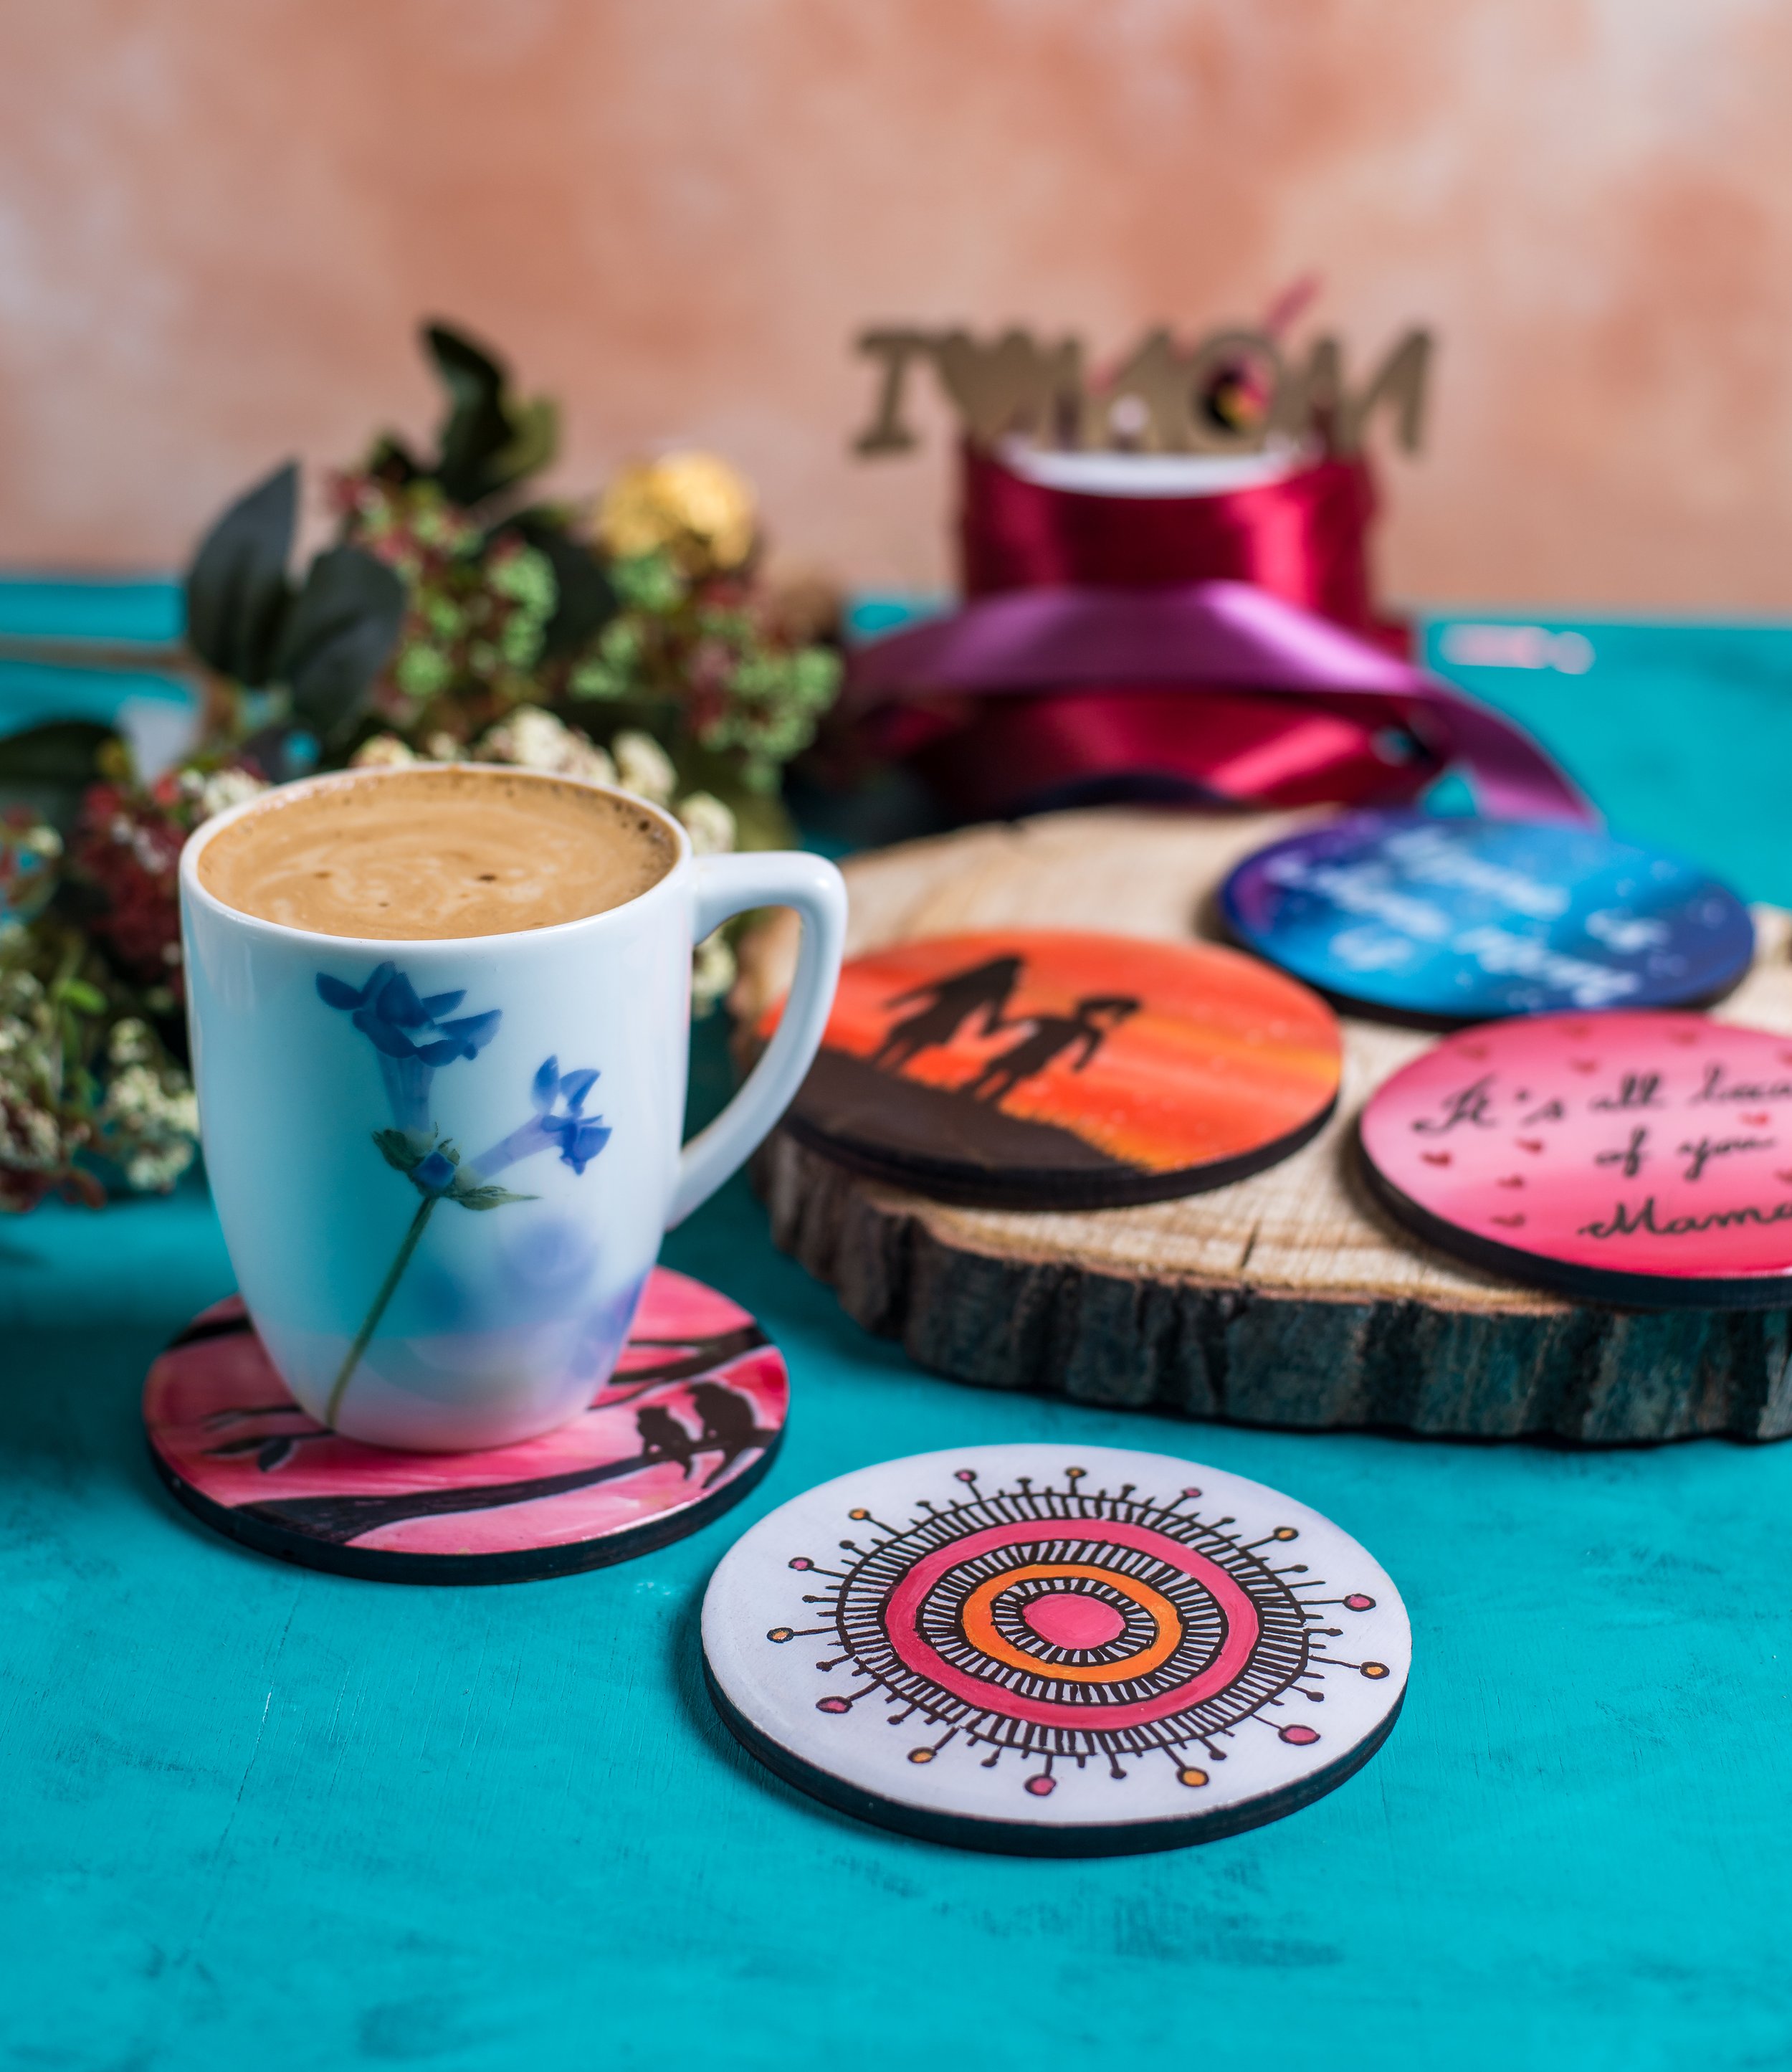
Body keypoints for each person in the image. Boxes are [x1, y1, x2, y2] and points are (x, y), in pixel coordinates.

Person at [961, 995, 1140, 1107]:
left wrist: (1081, 1063)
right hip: (1026, 1051)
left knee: (1011, 1078)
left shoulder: (1086, 1031)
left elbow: (1090, 1047)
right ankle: (970, 1094)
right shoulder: (1059, 1022)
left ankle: (986, 1100)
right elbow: (1023, 1021)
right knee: (999, 1073)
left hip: (1036, 1056)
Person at [869, 954, 1024, 1073]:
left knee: (901, 1043)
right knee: (911, 1048)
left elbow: (932, 988)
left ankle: (876, 1065)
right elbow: (994, 1017)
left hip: (935, 1017)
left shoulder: (975, 981)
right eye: (1020, 973)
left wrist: (897, 1002)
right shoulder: (996, 991)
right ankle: (882, 1068)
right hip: (945, 1021)